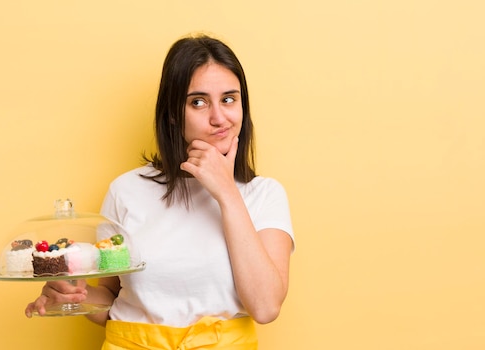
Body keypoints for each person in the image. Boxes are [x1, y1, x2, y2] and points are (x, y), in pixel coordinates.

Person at [25, 33, 295, 349]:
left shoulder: (264, 195)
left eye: (229, 99)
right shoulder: (125, 190)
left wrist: (227, 193)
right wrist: (74, 295)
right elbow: (111, 299)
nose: (219, 118)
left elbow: (265, 308)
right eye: (198, 101)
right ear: (171, 114)